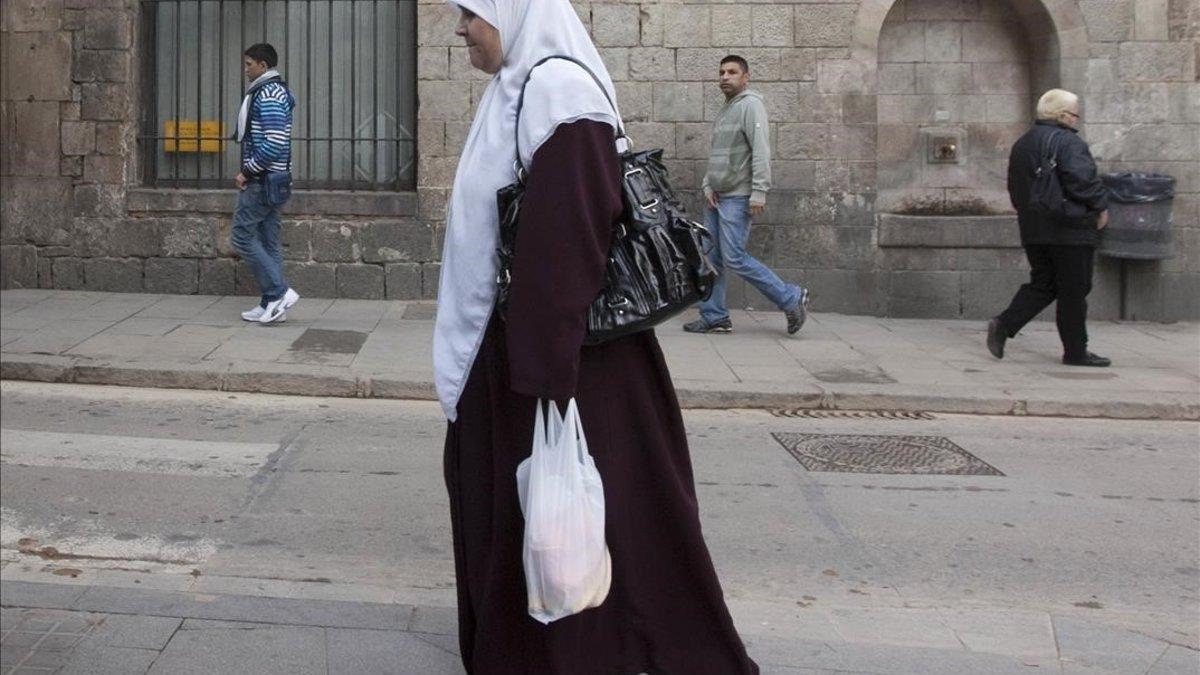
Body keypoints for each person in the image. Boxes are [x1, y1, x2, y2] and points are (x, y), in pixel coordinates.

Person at [434, 2, 760, 673]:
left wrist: (543, 381)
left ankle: (583, 651)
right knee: (559, 513)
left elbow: (569, 237)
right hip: (535, 348)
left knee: (568, 513)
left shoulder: (559, 92)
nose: (461, 28)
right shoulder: (520, 87)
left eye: (470, 13)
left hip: (561, 358)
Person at [683, 55, 809, 336]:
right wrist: (707, 185)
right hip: (716, 197)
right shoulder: (727, 109)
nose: (724, 77)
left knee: (735, 257)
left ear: (745, 77)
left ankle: (790, 297)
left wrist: (759, 192)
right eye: (721, 72)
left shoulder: (751, 105)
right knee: (711, 258)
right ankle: (714, 316)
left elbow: (761, 151)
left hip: (737, 197)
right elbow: (718, 153)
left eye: (732, 72)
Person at [988, 89, 1111, 367]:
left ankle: (1005, 323)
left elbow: (1015, 187)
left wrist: (1030, 217)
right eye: (1075, 115)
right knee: (1074, 290)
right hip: (1070, 229)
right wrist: (1101, 206)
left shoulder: (1023, 143)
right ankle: (1076, 352)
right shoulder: (1069, 143)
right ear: (1063, 115)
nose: (1076, 120)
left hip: (1034, 228)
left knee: (1044, 282)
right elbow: (1082, 180)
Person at [232, 43, 299, 324]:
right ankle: (271, 303)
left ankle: (280, 291)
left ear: (262, 65)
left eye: (249, 64)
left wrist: (247, 172)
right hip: (273, 180)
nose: (245, 69)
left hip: (262, 180)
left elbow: (273, 142)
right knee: (269, 241)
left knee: (242, 237)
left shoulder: (269, 94)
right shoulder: (270, 90)